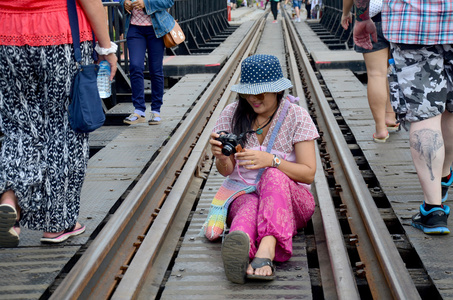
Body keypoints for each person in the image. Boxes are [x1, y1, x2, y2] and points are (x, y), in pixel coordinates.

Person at [0, 0, 118, 247]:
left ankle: (9, 200)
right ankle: (58, 223)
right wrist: (106, 48)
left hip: (7, 35)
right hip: (59, 33)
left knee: (18, 125)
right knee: (66, 127)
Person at [208, 54, 318, 283]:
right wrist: (220, 157)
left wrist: (271, 160)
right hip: (243, 193)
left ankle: (267, 247)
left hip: (291, 201)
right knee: (248, 208)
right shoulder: (231, 113)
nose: (253, 98)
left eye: (261, 92)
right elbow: (226, 171)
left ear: (277, 90)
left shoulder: (297, 116)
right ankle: (241, 253)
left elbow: (308, 173)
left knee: (273, 176)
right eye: (248, 92)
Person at [353, 0, 453, 234]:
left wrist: (362, 16)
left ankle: (433, 209)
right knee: (451, 108)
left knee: (424, 115)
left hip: (413, 22)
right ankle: (444, 174)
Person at [341, 0, 398, 143]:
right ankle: (391, 117)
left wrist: (345, 13)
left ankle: (380, 129)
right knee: (393, 69)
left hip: (371, 18)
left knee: (376, 74)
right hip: (401, 18)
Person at [120, 0, 174, 125]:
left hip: (156, 29)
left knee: (155, 70)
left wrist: (146, 4)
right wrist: (124, 3)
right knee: (135, 66)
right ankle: (139, 110)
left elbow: (169, 2)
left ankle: (156, 111)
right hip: (134, 28)